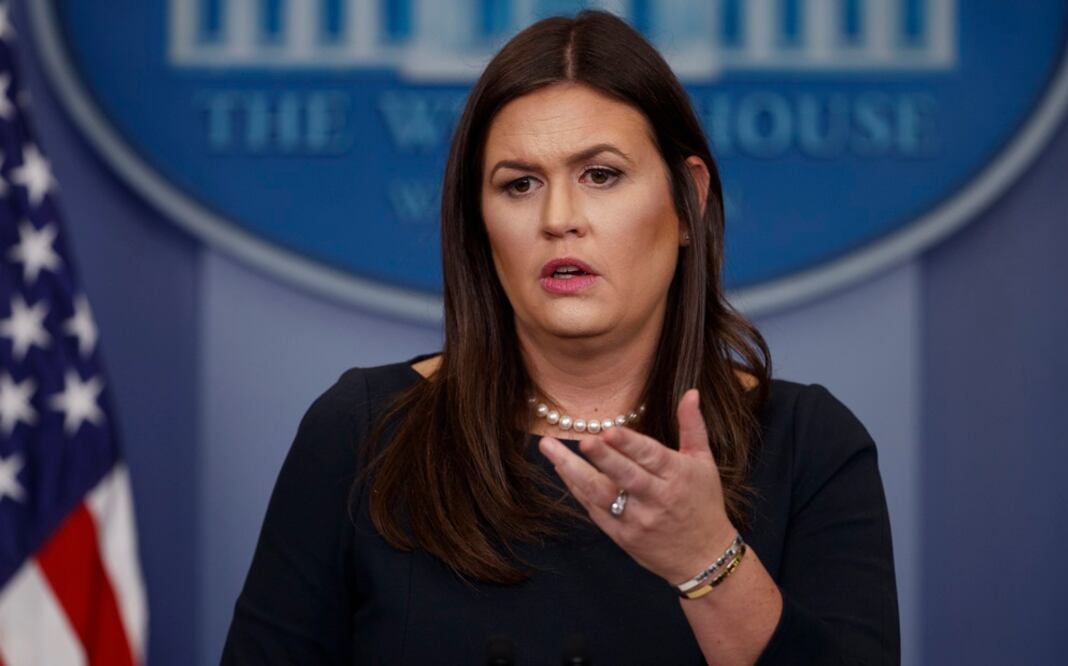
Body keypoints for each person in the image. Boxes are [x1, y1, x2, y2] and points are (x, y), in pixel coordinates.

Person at [222, 10, 899, 665]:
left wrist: (707, 560)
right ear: (478, 222)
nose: (558, 217)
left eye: (601, 175)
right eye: (519, 184)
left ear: (688, 201)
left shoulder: (808, 444)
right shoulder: (363, 431)